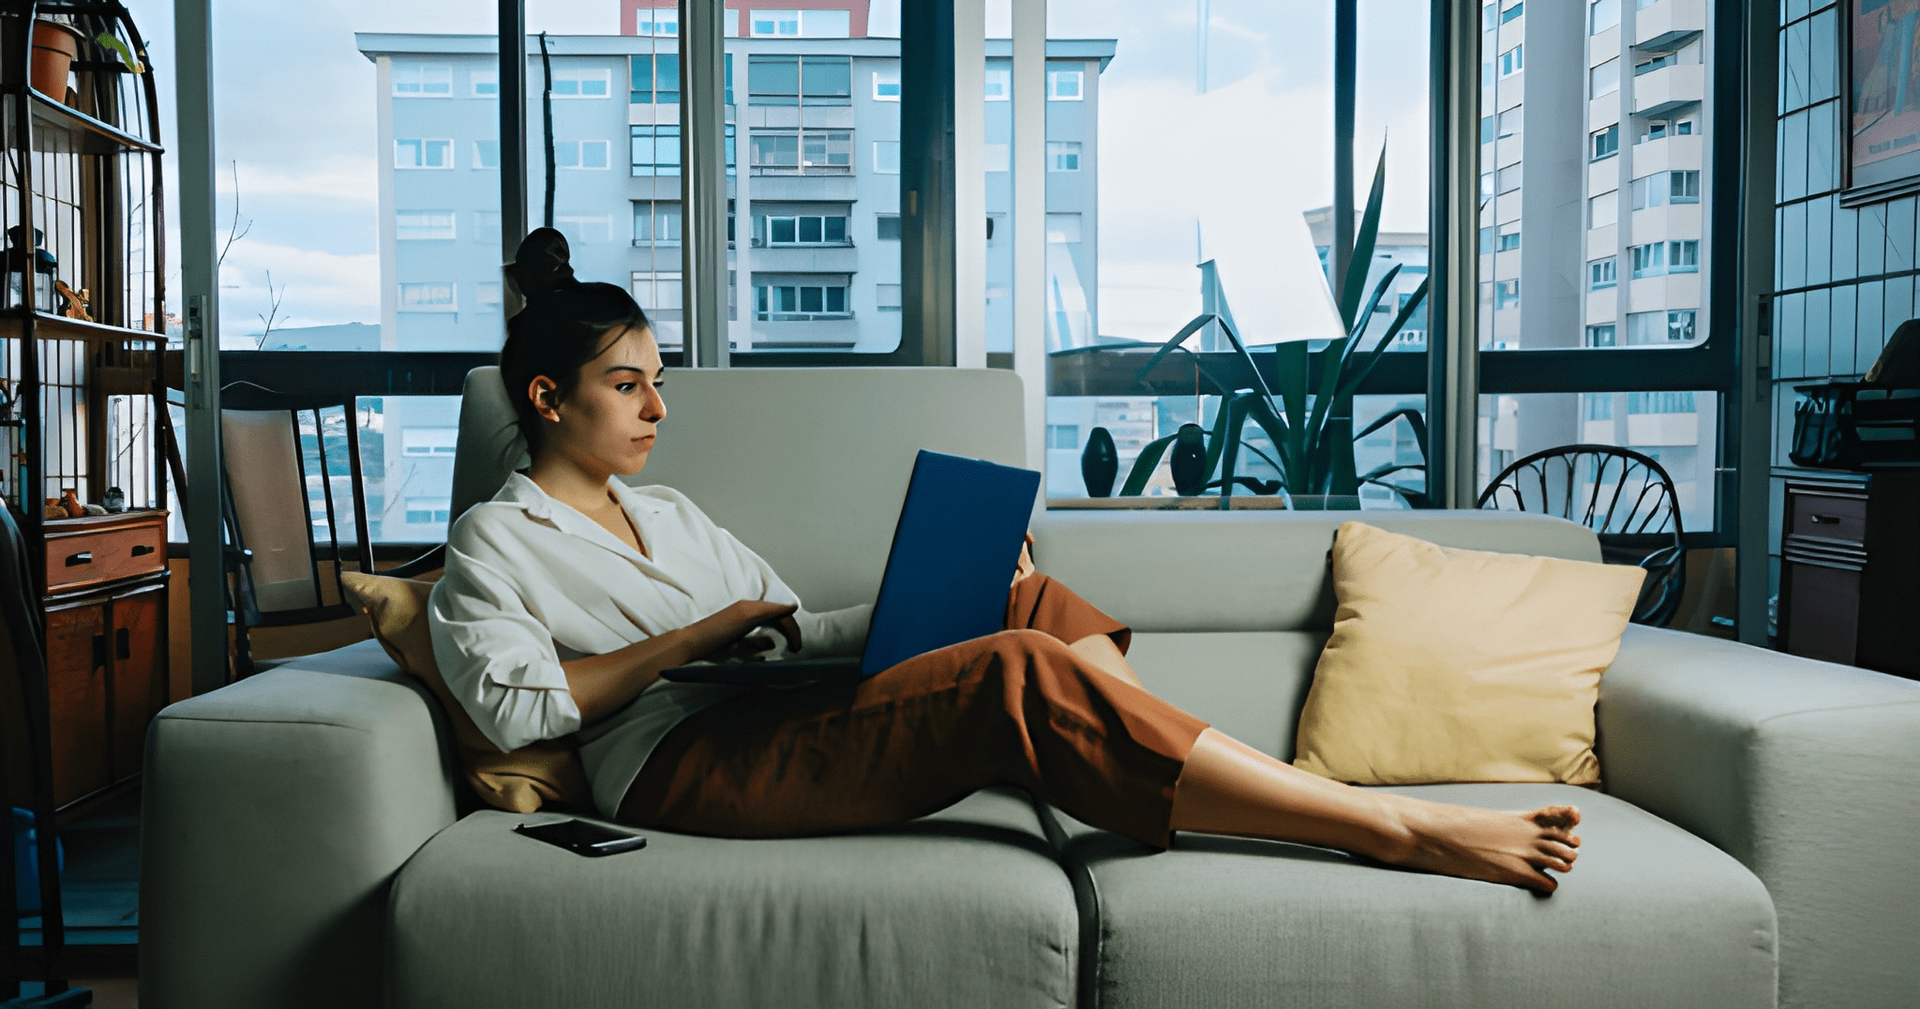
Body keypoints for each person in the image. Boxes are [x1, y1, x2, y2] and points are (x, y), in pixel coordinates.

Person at [428, 230, 1583, 894]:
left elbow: (787, 631)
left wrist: (949, 590)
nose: (657, 408)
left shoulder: (670, 512)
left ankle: (1199, 771)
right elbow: (515, 704)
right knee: (1016, 672)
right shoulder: (495, 539)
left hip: (771, 709)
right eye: (628, 384)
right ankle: (1383, 825)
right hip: (679, 764)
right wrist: (692, 638)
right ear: (550, 397)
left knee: (1025, 600)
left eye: (659, 381)